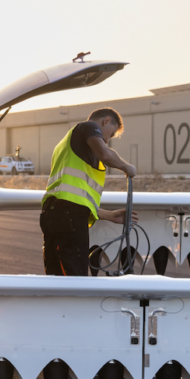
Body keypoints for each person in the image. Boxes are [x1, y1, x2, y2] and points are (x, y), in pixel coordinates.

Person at [40, 107, 137, 276]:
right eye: (111, 134)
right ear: (106, 121)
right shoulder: (89, 127)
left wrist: (110, 216)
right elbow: (105, 154)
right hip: (68, 217)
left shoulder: (67, 145)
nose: (107, 140)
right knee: (75, 278)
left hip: (53, 214)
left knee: (56, 277)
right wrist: (126, 167)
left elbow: (73, 198)